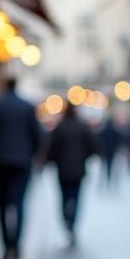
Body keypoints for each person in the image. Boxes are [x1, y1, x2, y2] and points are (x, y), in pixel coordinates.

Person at [0, 76, 44, 259]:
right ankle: (16, 245)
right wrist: (29, 153)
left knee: (1, 204)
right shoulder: (27, 106)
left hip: (2, 161)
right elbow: (37, 135)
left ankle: (6, 245)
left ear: (4, 85)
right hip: (22, 162)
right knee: (19, 203)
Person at [47, 103, 99, 246]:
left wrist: (52, 160)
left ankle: (66, 219)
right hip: (78, 170)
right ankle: (72, 222)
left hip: (62, 169)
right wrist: (84, 157)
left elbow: (51, 148)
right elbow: (93, 147)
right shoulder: (83, 127)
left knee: (64, 196)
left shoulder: (60, 127)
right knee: (75, 197)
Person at [97, 114, 126, 186]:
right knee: (110, 164)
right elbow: (119, 139)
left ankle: (106, 179)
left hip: (105, 150)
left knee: (104, 165)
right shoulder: (114, 130)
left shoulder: (103, 130)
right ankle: (109, 178)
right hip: (112, 150)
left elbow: (99, 139)